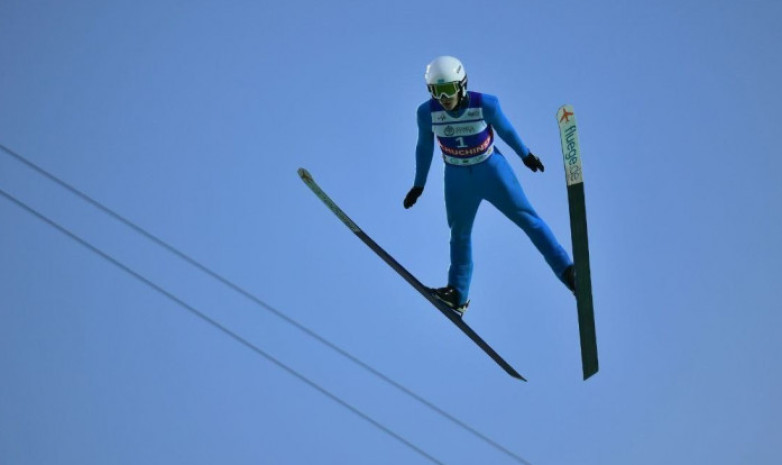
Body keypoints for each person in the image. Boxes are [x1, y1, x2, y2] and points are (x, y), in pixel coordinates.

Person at [403, 56, 575, 316]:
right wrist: (418, 185)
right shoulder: (426, 113)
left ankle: (569, 272)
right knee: (459, 234)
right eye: (436, 91)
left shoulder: (485, 104)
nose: (444, 97)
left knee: (529, 220)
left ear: (462, 85)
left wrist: (525, 154)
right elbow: (424, 147)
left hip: (491, 170)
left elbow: (506, 130)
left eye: (449, 89)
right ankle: (457, 295)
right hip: (457, 177)